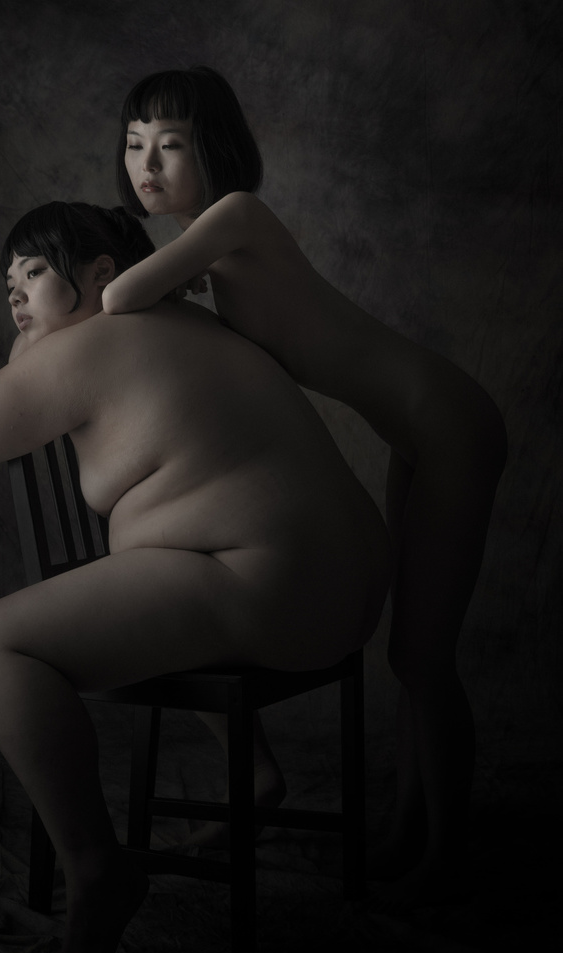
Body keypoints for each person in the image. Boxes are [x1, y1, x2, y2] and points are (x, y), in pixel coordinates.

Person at [0, 201, 391, 953]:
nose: (15, 293)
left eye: (33, 273)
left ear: (101, 273)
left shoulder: (92, 342)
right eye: (7, 282)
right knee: (154, 570)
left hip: (271, 585)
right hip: (347, 585)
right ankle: (257, 776)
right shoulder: (187, 322)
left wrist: (24, 352)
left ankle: (96, 867)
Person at [104, 66, 508, 910]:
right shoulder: (215, 247)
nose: (146, 164)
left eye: (169, 144)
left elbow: (117, 294)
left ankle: (447, 855)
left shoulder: (236, 215)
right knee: (411, 655)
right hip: (417, 433)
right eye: (135, 144)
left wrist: (155, 274)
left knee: (422, 658)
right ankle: (407, 830)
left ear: (215, 148)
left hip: (449, 422)